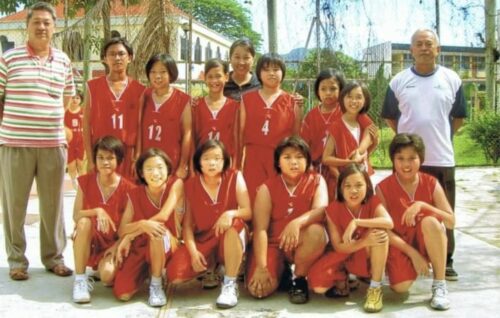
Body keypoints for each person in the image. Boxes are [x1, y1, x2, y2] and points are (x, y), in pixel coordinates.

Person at [381, 28, 466, 280]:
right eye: (419, 44)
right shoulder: (398, 81)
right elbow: (389, 117)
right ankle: (411, 254)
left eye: (429, 44)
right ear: (411, 50)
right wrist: (409, 145)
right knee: (404, 211)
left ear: (438, 49)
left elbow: (458, 118)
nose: (424, 48)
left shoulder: (452, 79)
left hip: (441, 157)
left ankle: (446, 259)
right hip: (409, 161)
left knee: (442, 210)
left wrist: (439, 136)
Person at [0, 2, 75, 281]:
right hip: (15, 144)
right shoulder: (10, 59)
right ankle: (17, 260)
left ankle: (54, 258)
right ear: (27, 26)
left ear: (54, 27)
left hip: (53, 146)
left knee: (53, 206)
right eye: (36, 22)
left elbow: (67, 97)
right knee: (14, 206)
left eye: (47, 22)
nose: (42, 27)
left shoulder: (64, 60)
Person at [167, 140, 251, 309]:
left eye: (217, 158)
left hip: (228, 236)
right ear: (198, 161)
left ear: (224, 160)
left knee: (234, 226)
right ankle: (210, 266)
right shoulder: (190, 185)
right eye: (206, 158)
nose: (212, 163)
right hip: (205, 240)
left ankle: (229, 283)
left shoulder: (235, 176)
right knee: (175, 274)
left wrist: (231, 213)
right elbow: (188, 226)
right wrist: (192, 252)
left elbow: (248, 211)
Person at [376, 133, 455, 311]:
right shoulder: (382, 188)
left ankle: (439, 284)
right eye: (400, 158)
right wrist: (413, 253)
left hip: (427, 239)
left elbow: (450, 222)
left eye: (412, 158)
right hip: (402, 244)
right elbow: (383, 230)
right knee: (400, 288)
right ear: (393, 160)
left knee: (431, 223)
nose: (406, 164)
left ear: (421, 159)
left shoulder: (431, 183)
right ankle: (410, 265)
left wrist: (423, 205)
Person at [247, 136, 328, 304]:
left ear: (307, 161)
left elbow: (321, 211)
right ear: (278, 162)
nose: (294, 162)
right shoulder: (267, 187)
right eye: (287, 157)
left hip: (302, 241)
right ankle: (281, 271)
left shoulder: (317, 181)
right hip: (274, 244)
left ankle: (299, 278)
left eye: (299, 157)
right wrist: (261, 268)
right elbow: (260, 229)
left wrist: (296, 223)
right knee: (258, 290)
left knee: (317, 232)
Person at [309, 163, 393, 313]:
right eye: (347, 186)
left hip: (366, 254)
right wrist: (363, 242)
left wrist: (356, 222)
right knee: (318, 286)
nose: (353, 191)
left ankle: (375, 288)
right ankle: (343, 278)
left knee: (380, 233)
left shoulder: (372, 201)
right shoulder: (333, 208)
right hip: (344, 255)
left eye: (359, 185)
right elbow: (339, 246)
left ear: (367, 186)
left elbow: (388, 222)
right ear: (340, 188)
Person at [113, 148, 184, 307]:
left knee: (156, 231)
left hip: (168, 242)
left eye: (160, 167)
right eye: (149, 168)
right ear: (141, 173)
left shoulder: (176, 184)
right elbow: (122, 229)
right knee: (122, 293)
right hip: (141, 245)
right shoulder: (135, 193)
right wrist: (141, 225)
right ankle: (148, 270)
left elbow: (164, 216)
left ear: (167, 169)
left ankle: (156, 284)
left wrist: (131, 235)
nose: (155, 172)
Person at [72, 136, 135, 303]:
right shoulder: (85, 181)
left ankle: (100, 268)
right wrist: (97, 211)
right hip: (91, 239)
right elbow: (76, 215)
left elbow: (125, 228)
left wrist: (116, 246)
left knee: (107, 277)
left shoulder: (129, 189)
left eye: (110, 158)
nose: (105, 162)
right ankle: (80, 280)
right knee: (84, 222)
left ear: (119, 160)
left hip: (112, 243)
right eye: (100, 157)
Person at [301, 70, 375, 202]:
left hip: (348, 169)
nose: (328, 93)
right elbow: (304, 145)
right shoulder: (311, 116)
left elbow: (370, 131)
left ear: (342, 90)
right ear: (317, 91)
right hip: (320, 168)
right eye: (323, 89)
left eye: (333, 88)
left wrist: (360, 151)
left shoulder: (349, 110)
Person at [239, 53, 302, 203]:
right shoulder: (247, 99)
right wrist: (238, 165)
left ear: (283, 72)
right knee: (253, 199)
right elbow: (240, 135)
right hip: (253, 159)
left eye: (276, 69)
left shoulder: (292, 102)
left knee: (278, 200)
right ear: (259, 73)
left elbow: (296, 137)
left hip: (279, 159)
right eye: (266, 69)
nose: (272, 73)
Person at [83, 37, 145, 180]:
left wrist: (137, 157)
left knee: (128, 198)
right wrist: (90, 159)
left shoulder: (140, 90)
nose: (117, 58)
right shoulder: (92, 87)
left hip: (127, 153)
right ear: (104, 58)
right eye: (112, 54)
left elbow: (141, 125)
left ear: (130, 57)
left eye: (121, 54)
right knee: (102, 198)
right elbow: (86, 124)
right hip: (102, 153)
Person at [137, 53, 191, 179]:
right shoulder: (143, 96)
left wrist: (183, 165)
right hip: (146, 162)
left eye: (163, 72)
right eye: (153, 72)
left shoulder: (183, 100)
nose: (157, 76)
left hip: (171, 162)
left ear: (171, 73)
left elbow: (187, 134)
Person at [322, 81, 376, 198]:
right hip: (344, 180)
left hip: (363, 178)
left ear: (365, 100)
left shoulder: (364, 120)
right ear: (342, 99)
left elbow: (366, 149)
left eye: (358, 97)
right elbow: (326, 159)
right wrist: (350, 162)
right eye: (349, 96)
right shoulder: (336, 125)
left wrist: (364, 151)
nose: (353, 101)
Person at [192, 59, 239, 165]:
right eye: (210, 76)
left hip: (225, 163)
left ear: (226, 77)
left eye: (218, 76)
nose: (214, 81)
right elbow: (191, 138)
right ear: (204, 78)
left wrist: (235, 165)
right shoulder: (196, 105)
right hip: (202, 163)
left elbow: (237, 140)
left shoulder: (235, 106)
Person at [65, 91, 85, 190]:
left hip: (81, 142)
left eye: (77, 98)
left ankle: (82, 185)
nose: (75, 100)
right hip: (69, 143)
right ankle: (73, 181)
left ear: (81, 100)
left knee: (81, 165)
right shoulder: (65, 112)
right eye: (73, 97)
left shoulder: (84, 111)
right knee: (72, 166)